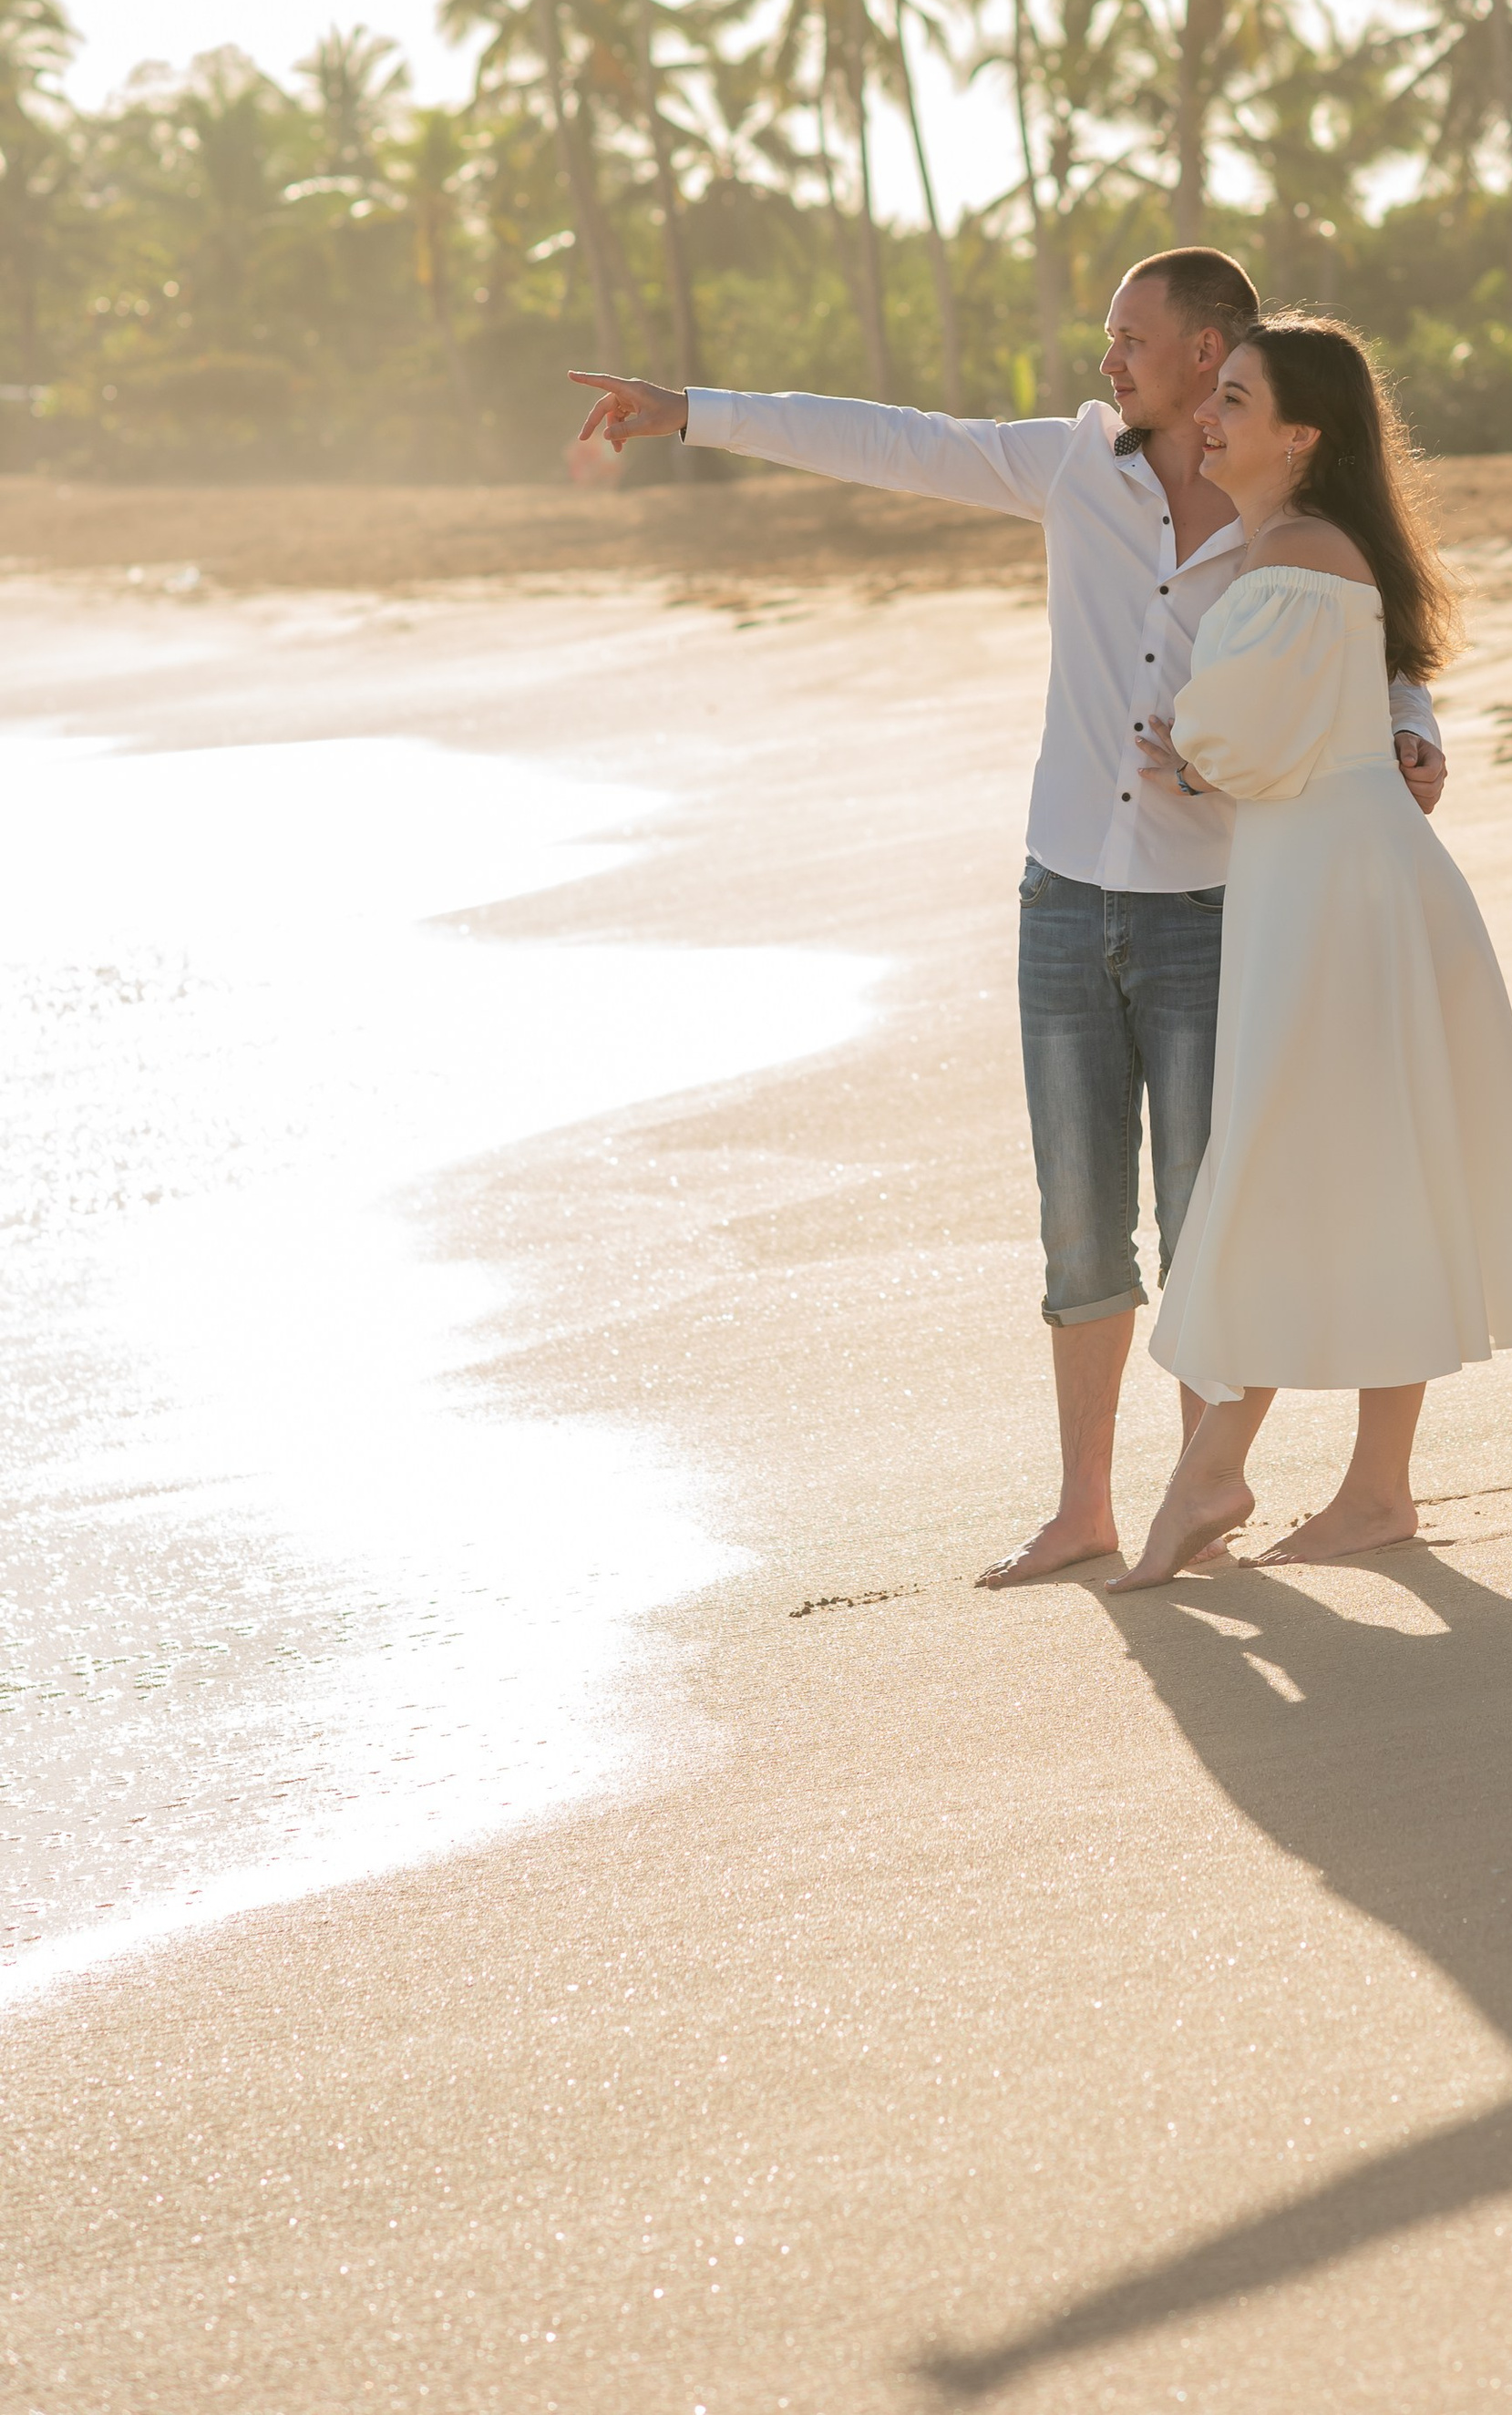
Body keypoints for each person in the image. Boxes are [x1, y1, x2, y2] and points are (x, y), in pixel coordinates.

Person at [565, 252, 1448, 1587]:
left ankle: (1200, 1491)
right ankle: (1083, 1505)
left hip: (1214, 907)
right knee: (1081, 1222)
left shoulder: (1286, 508)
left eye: (1132, 338)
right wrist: (693, 409)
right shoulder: (1070, 465)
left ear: (1211, 351)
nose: (1109, 361)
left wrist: (1413, 734)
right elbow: (898, 442)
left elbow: (1370, 643)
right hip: (1062, 892)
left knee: (1212, 1215)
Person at [1108, 314, 1512, 1588]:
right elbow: (1269, 729)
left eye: (1238, 401)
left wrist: (1198, 744)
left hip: (1337, 889)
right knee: (1363, 1166)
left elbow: (1239, 735)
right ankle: (1362, 1491)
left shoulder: (1300, 553)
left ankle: (1223, 1462)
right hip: (1326, 877)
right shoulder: (1295, 550)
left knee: (1291, 1157)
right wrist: (1214, 742)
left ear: (1301, 436)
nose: (1211, 416)